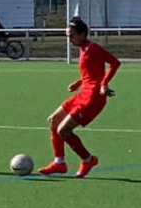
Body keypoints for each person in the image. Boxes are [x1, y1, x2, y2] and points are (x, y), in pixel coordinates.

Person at [38, 16, 119, 177]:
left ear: (82, 35)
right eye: (68, 36)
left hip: (92, 99)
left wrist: (104, 84)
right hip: (83, 94)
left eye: (72, 36)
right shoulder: (83, 49)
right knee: (53, 120)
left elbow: (115, 63)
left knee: (63, 130)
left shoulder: (93, 49)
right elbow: (91, 73)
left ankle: (88, 159)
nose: (69, 40)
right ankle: (59, 163)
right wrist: (78, 83)